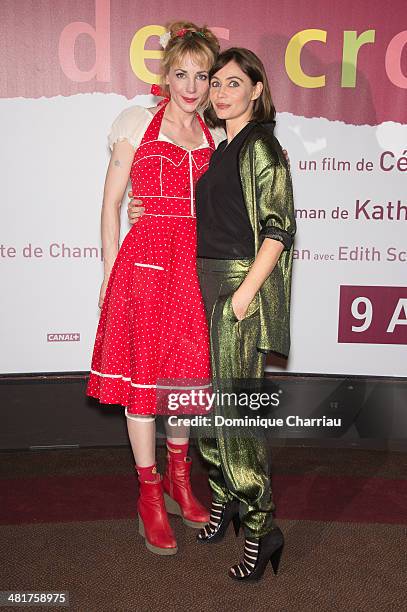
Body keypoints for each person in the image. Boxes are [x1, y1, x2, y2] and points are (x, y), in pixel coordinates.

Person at [128, 47, 296, 581]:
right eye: (215, 83)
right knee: (204, 406)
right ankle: (222, 498)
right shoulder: (219, 146)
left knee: (237, 416)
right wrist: (138, 207)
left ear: (256, 91)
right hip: (198, 285)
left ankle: (263, 528)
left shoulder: (262, 148)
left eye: (231, 84)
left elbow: (278, 229)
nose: (219, 93)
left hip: (234, 291)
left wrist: (244, 296)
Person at [86, 22, 226, 556]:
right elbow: (111, 203)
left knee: (184, 381)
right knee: (146, 380)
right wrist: (108, 270)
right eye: (181, 73)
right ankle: (149, 494)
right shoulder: (135, 122)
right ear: (165, 75)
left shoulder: (216, 137)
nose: (191, 86)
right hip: (144, 267)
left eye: (202, 76)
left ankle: (179, 477)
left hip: (194, 268)